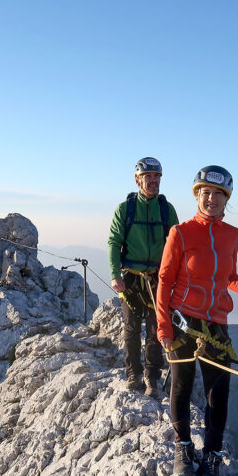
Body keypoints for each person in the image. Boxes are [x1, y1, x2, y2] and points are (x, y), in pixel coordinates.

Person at [155, 165, 238, 476]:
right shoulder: (180, 233)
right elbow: (164, 280)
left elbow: (228, 277)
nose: (211, 199)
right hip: (183, 321)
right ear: (197, 196)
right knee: (180, 385)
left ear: (226, 199)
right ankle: (183, 448)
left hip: (217, 323)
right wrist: (163, 326)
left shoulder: (231, 234)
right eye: (205, 193)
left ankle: (211, 454)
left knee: (217, 393)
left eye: (217, 194)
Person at [107, 157, 179, 397]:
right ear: (138, 180)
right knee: (131, 328)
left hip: (158, 278)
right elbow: (114, 242)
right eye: (148, 176)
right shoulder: (125, 209)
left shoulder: (166, 209)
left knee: (156, 329)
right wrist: (115, 274)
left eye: (157, 176)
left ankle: (152, 378)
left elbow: (176, 244)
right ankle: (133, 374)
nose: (153, 181)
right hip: (131, 278)